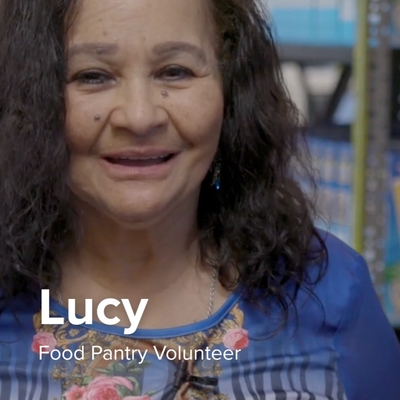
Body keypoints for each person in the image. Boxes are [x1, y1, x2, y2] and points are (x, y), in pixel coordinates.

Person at [0, 0, 399, 399]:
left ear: (231, 92)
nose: (140, 117)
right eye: (93, 76)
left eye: (175, 71)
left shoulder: (330, 291)